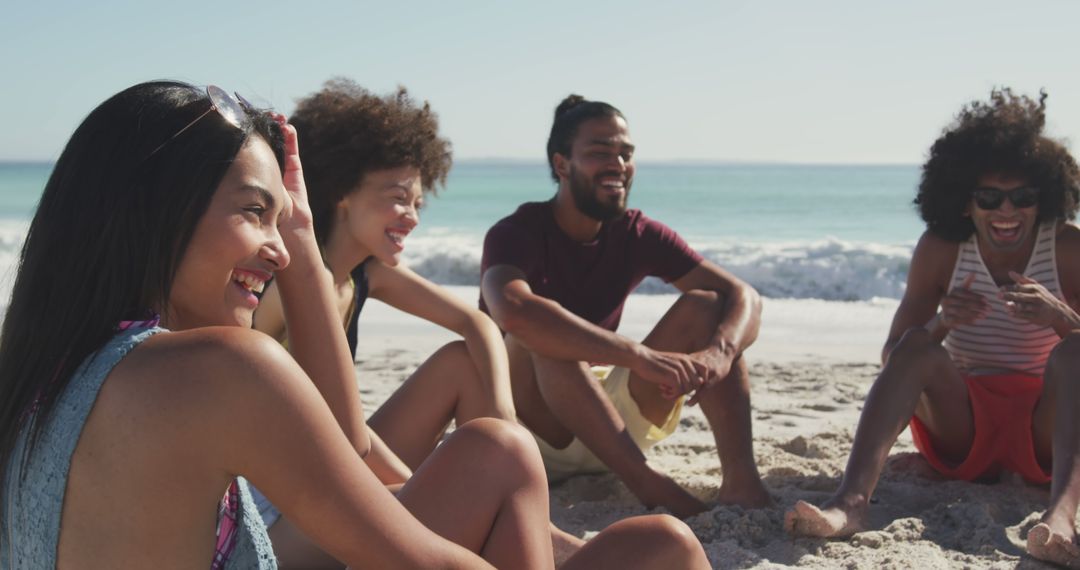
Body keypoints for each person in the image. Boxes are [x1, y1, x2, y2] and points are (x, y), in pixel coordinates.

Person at [0, 81, 710, 569]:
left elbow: (346, 449)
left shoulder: (46, 374)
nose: (278, 248)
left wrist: (301, 240)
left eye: (283, 223)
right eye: (255, 213)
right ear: (155, 214)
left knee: (621, 521)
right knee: (635, 534)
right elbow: (415, 556)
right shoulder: (219, 369)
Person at [250, 79, 573, 566]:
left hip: (342, 455)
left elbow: (476, 324)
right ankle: (502, 502)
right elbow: (328, 426)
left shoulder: (366, 273)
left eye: (419, 204)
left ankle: (530, 518)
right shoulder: (285, 284)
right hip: (289, 487)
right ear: (341, 192)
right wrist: (413, 484)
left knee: (464, 365)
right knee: (470, 466)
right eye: (399, 198)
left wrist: (505, 419)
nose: (412, 217)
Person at [783, 89, 1080, 568]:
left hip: (1048, 431)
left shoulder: (1067, 248)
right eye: (989, 197)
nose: (1007, 211)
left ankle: (1062, 519)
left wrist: (1061, 318)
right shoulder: (943, 248)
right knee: (917, 344)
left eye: (1023, 197)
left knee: (1075, 350)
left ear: (1043, 198)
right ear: (965, 203)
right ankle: (851, 503)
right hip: (963, 428)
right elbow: (891, 357)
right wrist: (942, 323)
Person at [480, 94, 771, 517]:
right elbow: (512, 310)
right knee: (540, 334)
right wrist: (637, 355)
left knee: (710, 307)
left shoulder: (636, 232)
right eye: (600, 152)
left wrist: (718, 355)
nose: (618, 164)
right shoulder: (516, 232)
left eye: (626, 153)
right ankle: (649, 484)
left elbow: (744, 296)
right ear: (562, 164)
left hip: (612, 428)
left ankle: (743, 484)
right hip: (534, 431)